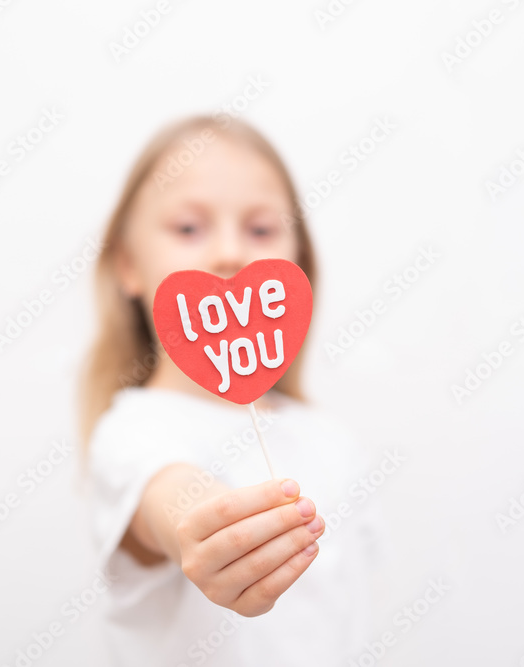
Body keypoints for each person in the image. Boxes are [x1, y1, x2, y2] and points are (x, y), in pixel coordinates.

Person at [79, 114, 386, 666]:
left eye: (262, 229)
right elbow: (167, 496)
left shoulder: (331, 440)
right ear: (128, 264)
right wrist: (206, 527)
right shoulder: (133, 431)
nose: (228, 253)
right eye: (189, 228)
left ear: (299, 263)